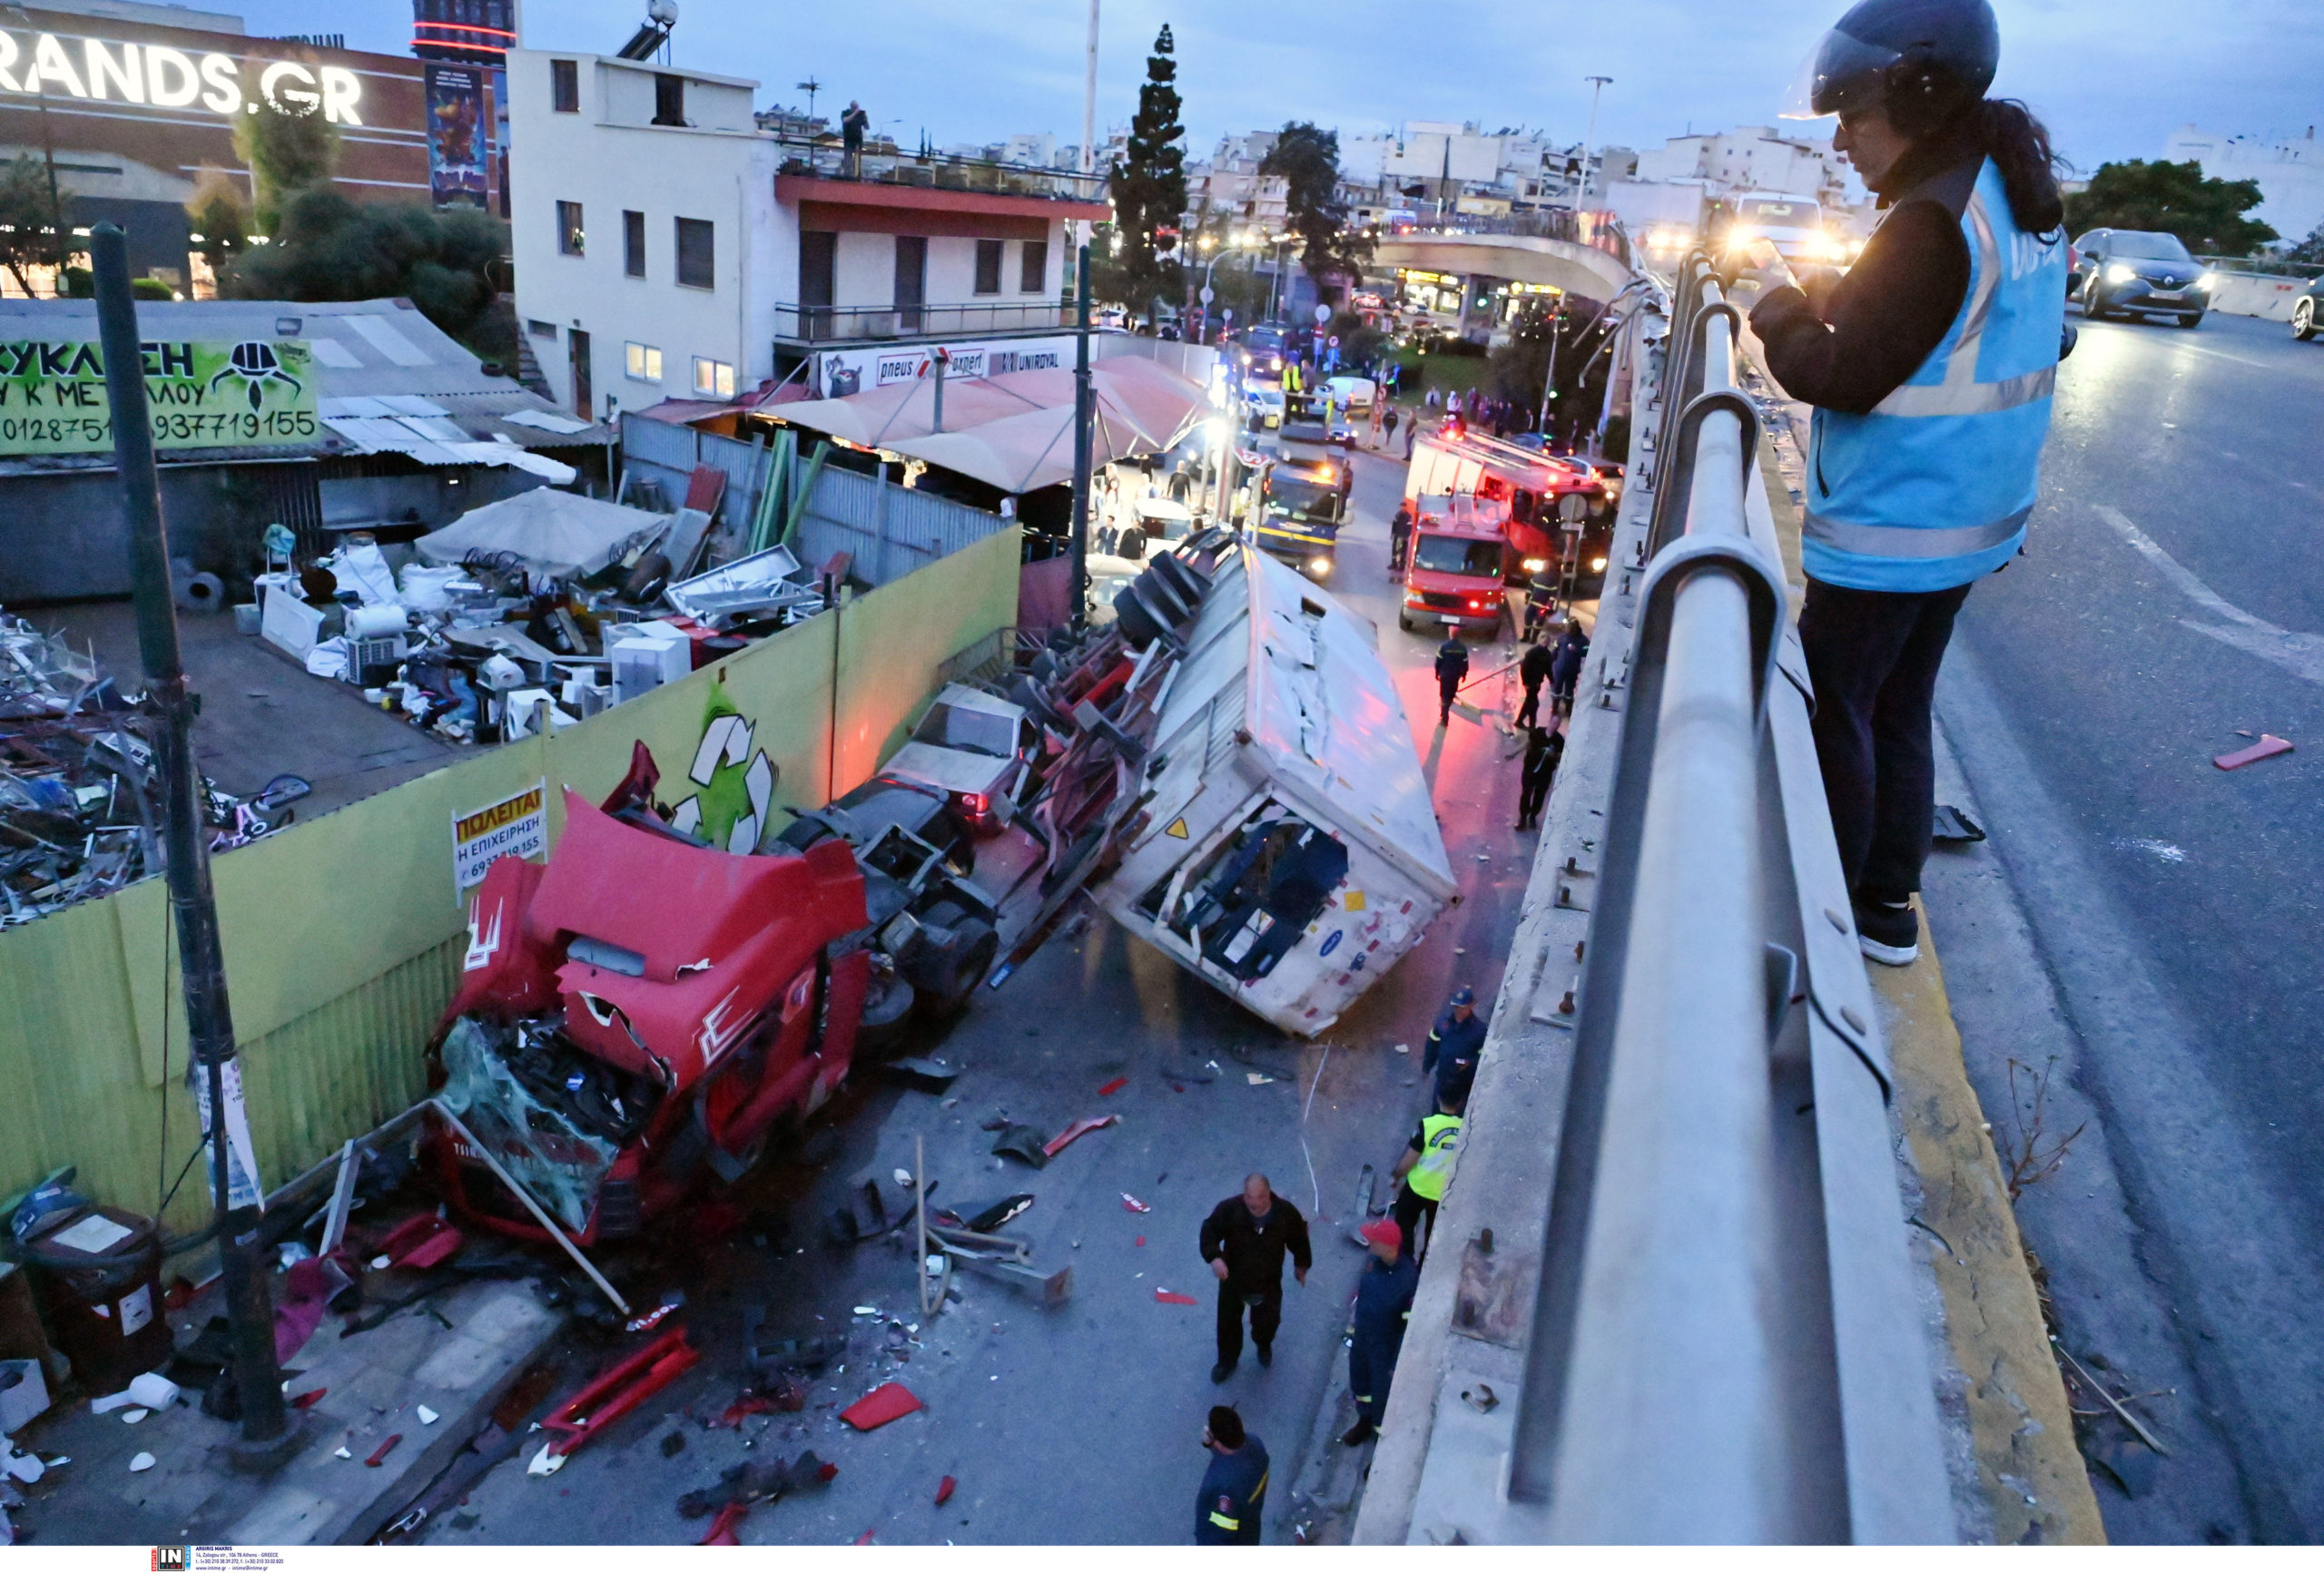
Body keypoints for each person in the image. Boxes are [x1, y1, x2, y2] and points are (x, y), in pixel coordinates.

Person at [1750, 0, 2066, 967]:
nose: (1841, 142)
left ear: (1916, 98)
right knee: (1900, 699)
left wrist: (1770, 308)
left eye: (1854, 118)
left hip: (1896, 521)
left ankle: (1829, 914)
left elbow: (1836, 372)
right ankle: (1887, 902)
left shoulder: (1929, 223)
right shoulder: (2008, 193)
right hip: (1971, 518)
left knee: (1834, 701)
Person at [1198, 1174, 1312, 1383]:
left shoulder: (1285, 1214)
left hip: (1267, 1281)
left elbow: (1299, 1239)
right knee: (1227, 1324)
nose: (1254, 1202)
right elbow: (1209, 1230)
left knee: (1267, 1322)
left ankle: (1263, 1344)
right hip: (1232, 1279)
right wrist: (1214, 1257)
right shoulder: (1230, 1209)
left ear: (1268, 1194)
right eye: (1249, 1196)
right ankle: (1227, 1361)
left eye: (1259, 1197)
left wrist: (1301, 1265)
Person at [1341, 1219, 1420, 1446]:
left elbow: (1407, 1329)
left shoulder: (1408, 1281)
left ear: (1389, 1247)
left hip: (1384, 1351)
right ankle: (1364, 1422)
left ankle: (1379, 1445)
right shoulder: (1374, 1261)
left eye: (1374, 1241)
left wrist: (1396, 1364)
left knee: (1382, 1399)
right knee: (1361, 1385)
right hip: (1363, 1339)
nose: (1370, 1243)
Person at [1392, 1087, 1463, 1264]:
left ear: (1438, 1098)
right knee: (1433, 1235)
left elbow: (1410, 1158)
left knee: (1405, 1228)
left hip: (1418, 1187)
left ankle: (1405, 1264)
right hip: (1445, 1194)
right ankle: (1425, 1266)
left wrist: (1396, 1176)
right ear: (1460, 1102)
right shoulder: (1466, 1128)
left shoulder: (1427, 1125)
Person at [1193, 1406, 1268, 1544]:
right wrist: (1212, 1444)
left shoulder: (1223, 1488)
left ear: (1219, 1443)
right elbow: (1232, 1456)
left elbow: (1219, 1534)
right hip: (1251, 1528)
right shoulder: (1255, 1445)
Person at [1423, 985, 1485, 1107]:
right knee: (1437, 1111)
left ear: (1471, 1005)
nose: (1458, 1011)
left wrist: (1470, 1064)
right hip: (1443, 1078)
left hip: (1464, 1083)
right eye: (1456, 1007)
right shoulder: (1442, 1023)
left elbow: (1484, 1057)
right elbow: (1432, 1046)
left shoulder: (1480, 1030)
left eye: (1462, 1007)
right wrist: (1426, 1067)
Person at [1517, 724, 1563, 831]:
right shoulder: (1538, 732)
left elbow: (1562, 757)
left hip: (1545, 773)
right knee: (1526, 794)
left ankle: (1533, 815)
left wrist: (1554, 756)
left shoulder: (1559, 740)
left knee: (1539, 796)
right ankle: (1523, 818)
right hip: (1530, 769)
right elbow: (1528, 745)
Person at [1549, 619, 1590, 716]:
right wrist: (1549, 661)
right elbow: (1556, 650)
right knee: (1557, 688)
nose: (1568, 629)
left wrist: (1576, 650)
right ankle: (1555, 706)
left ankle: (1568, 707)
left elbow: (1587, 652)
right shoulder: (1562, 637)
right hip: (1560, 668)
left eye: (1569, 627)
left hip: (1572, 669)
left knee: (1569, 690)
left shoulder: (1584, 640)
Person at [1516, 634, 1553, 731]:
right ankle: (1526, 723)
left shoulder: (1547, 654)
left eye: (1547, 642)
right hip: (1530, 683)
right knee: (1533, 703)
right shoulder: (1532, 653)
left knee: (1531, 703)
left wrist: (1552, 680)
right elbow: (1524, 668)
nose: (1545, 643)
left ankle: (1526, 723)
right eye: (1544, 641)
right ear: (1539, 641)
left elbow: (1547, 669)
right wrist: (1525, 683)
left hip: (1537, 683)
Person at [1433, 635, 1468, 727]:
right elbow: (1465, 662)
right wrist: (1464, 675)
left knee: (1444, 696)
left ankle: (1444, 717)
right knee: (1450, 695)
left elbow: (1438, 661)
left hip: (1445, 676)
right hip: (1455, 676)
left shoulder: (1443, 647)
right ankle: (1444, 711)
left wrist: (1437, 673)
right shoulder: (1462, 648)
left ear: (1450, 635)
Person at [840, 100, 870, 178]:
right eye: (854, 107)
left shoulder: (861, 115)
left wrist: (865, 117)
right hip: (848, 139)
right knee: (848, 159)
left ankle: (857, 174)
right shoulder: (845, 112)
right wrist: (855, 113)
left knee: (857, 159)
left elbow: (867, 127)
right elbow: (845, 120)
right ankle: (848, 175)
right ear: (851, 106)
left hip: (858, 140)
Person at [1388, 503, 1413, 574]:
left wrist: (1406, 536)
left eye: (1403, 507)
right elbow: (1394, 525)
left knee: (1401, 551)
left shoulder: (1408, 517)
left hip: (1403, 536)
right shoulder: (1397, 515)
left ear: (1405, 507)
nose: (1402, 508)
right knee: (1395, 550)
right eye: (1401, 507)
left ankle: (1401, 566)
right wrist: (1392, 533)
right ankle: (1394, 564)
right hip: (1397, 534)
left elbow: (1409, 528)